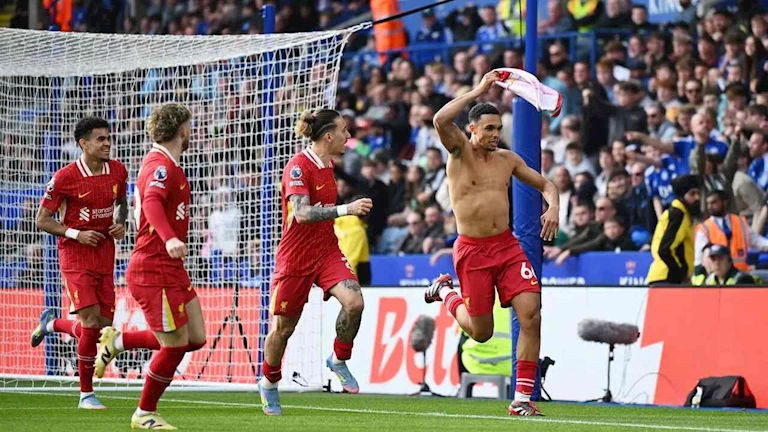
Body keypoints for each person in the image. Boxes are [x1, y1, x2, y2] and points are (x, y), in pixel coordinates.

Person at [424, 71, 560, 416]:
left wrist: (554, 208)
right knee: (481, 332)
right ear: (472, 129)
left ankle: (522, 398)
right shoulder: (459, 152)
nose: (496, 134)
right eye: (488, 129)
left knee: (531, 314)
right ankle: (445, 292)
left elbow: (548, 186)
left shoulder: (507, 160)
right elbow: (440, 119)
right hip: (472, 251)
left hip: (507, 247)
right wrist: (479, 90)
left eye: (498, 129)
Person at [258, 110, 372, 416]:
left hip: (327, 251)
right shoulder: (298, 167)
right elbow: (303, 214)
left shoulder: (329, 164)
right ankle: (269, 382)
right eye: (345, 130)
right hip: (296, 258)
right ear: (328, 136)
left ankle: (338, 359)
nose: (349, 136)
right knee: (284, 330)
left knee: (355, 303)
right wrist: (346, 208)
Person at [99, 104, 206, 429]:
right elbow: (152, 203)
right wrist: (170, 237)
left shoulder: (169, 164)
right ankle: (144, 412)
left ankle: (118, 342)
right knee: (174, 345)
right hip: (153, 267)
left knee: (195, 337)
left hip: (170, 267)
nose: (192, 131)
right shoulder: (159, 165)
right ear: (182, 130)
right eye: (190, 126)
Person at [29, 117, 128, 410]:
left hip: (105, 252)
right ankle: (86, 394)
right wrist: (76, 233)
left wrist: (120, 223)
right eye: (100, 139)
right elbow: (42, 220)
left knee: (102, 328)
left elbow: (122, 203)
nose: (107, 143)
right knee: (91, 322)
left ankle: (52, 324)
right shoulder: (65, 177)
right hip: (75, 255)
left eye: (108, 138)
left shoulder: (118, 170)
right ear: (84, 144)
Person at [647, 175, 701, 285]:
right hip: (667, 278)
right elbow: (664, 249)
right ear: (682, 196)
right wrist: (680, 274)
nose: (697, 198)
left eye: (697, 193)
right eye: (692, 194)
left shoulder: (681, 214)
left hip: (665, 278)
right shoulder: (678, 214)